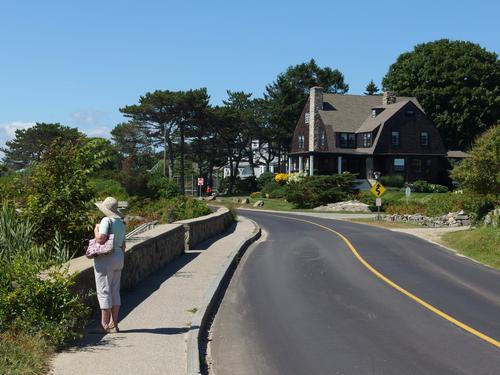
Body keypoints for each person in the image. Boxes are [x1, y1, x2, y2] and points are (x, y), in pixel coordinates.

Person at [92, 196, 126, 334]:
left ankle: (104, 325)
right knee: (114, 291)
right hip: (119, 256)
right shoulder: (121, 223)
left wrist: (96, 229)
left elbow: (100, 239)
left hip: (106, 258)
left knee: (104, 290)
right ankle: (114, 324)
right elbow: (123, 245)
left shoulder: (106, 220)